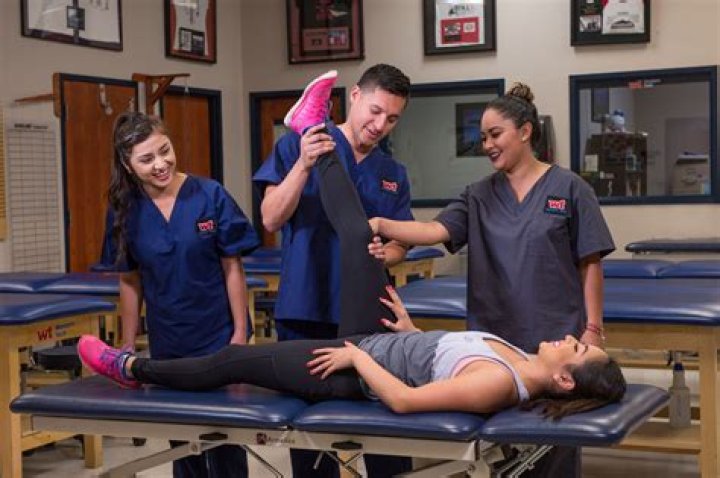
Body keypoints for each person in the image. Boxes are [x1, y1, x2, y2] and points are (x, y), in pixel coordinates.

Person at [78, 146, 626, 425]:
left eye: (576, 349)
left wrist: (356, 357)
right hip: (381, 340)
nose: (570, 337)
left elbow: (405, 401)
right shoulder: (518, 358)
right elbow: (442, 359)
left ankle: (132, 368)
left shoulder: (499, 384)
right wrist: (411, 332)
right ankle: (314, 139)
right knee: (359, 239)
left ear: (564, 379)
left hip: (352, 364)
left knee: (233, 361)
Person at [367, 82, 616, 476]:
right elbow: (433, 231)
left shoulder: (570, 189)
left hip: (554, 336)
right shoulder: (478, 195)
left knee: (553, 448)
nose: (487, 145)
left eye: (495, 134)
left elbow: (591, 262)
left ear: (525, 131)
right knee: (498, 453)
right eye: (482, 137)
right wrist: (382, 224)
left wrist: (593, 329)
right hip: (493, 345)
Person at [252, 65, 415, 477]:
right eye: (375, 111)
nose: (380, 125)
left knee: (385, 427)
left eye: (392, 119)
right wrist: (304, 164)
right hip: (306, 306)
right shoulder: (299, 145)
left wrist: (387, 253)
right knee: (311, 435)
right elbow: (270, 218)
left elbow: (401, 243)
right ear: (355, 95)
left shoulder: (393, 173)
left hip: (369, 313)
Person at [99, 111, 260, 478]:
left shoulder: (210, 194)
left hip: (218, 336)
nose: (160, 164)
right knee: (183, 443)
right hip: (168, 340)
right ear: (127, 164)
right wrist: (127, 344)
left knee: (227, 440)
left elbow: (232, 267)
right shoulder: (124, 210)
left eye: (165, 151)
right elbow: (130, 280)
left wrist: (239, 333)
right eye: (146, 159)